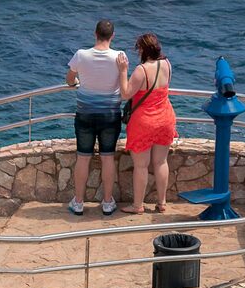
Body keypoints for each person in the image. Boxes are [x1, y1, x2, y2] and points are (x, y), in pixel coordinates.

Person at [65, 19, 125, 215]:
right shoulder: (120, 57)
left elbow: (69, 79)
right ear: (112, 36)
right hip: (110, 115)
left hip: (85, 114)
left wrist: (76, 83)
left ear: (95, 33)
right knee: (108, 158)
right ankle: (107, 202)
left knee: (83, 158)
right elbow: (123, 86)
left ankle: (79, 202)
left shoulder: (81, 55)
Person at [116, 32, 177, 214]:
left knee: (141, 165)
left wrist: (123, 70)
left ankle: (138, 205)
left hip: (144, 122)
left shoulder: (141, 70)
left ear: (142, 49)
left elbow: (125, 94)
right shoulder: (167, 64)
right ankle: (162, 202)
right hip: (165, 118)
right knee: (160, 162)